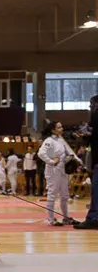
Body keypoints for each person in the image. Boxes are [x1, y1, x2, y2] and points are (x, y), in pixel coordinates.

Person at [38, 121, 81, 226]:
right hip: (52, 170)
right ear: (53, 130)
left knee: (64, 195)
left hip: (61, 170)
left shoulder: (61, 140)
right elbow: (41, 153)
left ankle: (66, 218)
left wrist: (75, 159)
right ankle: (51, 219)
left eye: (61, 127)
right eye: (59, 127)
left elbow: (68, 153)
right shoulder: (49, 140)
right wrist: (51, 161)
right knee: (52, 195)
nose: (62, 129)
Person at [74, 95, 98, 229]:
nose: (90, 107)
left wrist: (86, 135)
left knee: (96, 189)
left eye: (92, 105)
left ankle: (93, 218)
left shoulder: (96, 116)